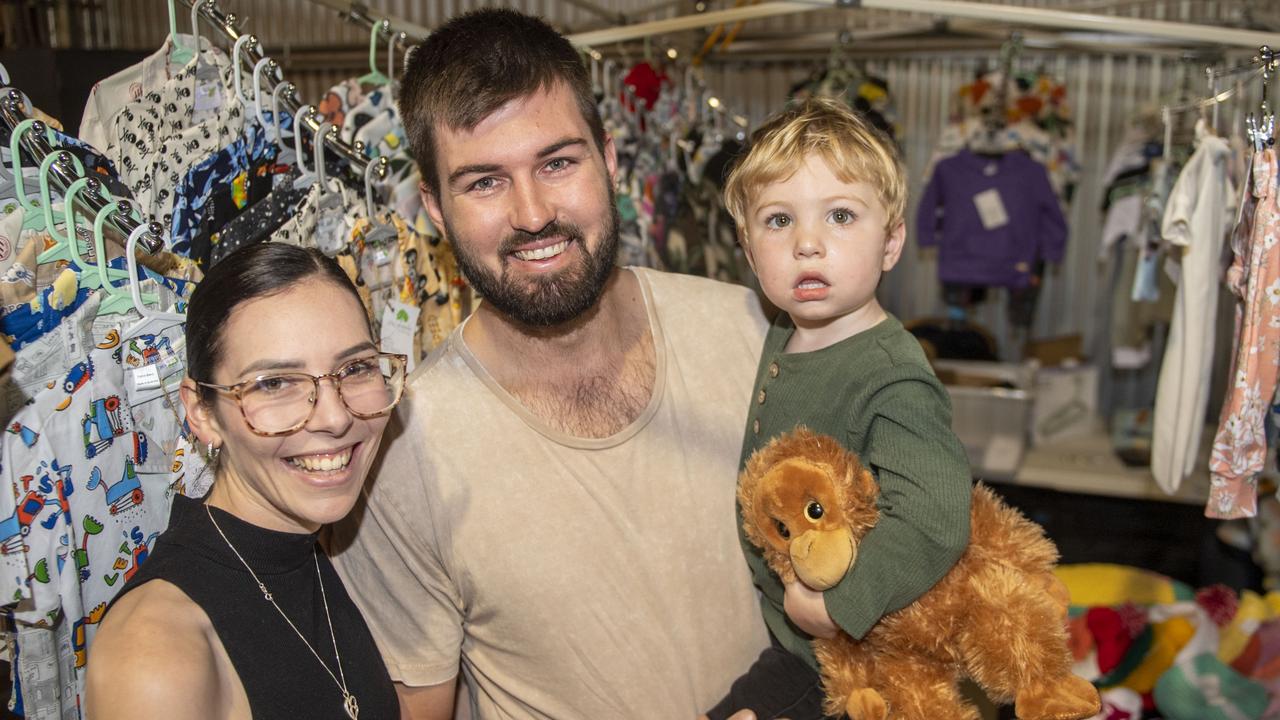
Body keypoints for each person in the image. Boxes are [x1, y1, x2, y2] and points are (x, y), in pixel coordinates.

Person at [327, 8, 772, 719]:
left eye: (557, 163)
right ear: (434, 210)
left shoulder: (751, 336)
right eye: (483, 183)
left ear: (611, 161)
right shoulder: (404, 457)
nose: (533, 214)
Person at [709, 97, 974, 718]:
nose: (807, 244)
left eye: (841, 216)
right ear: (749, 252)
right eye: (778, 221)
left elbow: (936, 515)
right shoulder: (784, 330)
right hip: (790, 643)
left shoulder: (888, 373)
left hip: (847, 664)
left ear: (891, 242)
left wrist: (841, 603)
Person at [85, 243, 405, 719]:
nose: (335, 417)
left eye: (355, 368)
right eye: (275, 383)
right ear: (201, 413)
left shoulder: (321, 539)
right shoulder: (155, 659)